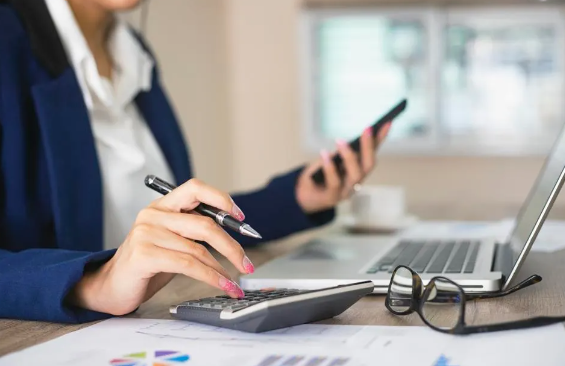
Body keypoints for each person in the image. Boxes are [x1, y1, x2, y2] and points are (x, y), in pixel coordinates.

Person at [0, 0, 391, 324]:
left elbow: (188, 220)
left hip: (156, 319)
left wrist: (300, 197)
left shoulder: (133, 53)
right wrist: (93, 283)